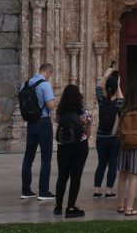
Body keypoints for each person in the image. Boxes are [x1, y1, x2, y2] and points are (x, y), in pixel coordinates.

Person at [113, 83, 137, 217]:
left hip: (123, 145)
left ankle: (120, 205)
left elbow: (114, 131)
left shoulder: (121, 109)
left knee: (122, 176)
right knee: (133, 177)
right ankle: (129, 208)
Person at [53, 84, 91, 219]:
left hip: (63, 145)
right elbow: (87, 124)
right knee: (75, 177)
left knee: (62, 176)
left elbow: (56, 120)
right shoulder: (82, 108)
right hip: (79, 145)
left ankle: (58, 207)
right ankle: (70, 208)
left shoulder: (61, 109)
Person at [21, 62, 58, 201]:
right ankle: (43, 191)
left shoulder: (26, 84)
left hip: (31, 123)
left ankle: (25, 190)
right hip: (43, 123)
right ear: (48, 72)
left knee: (28, 157)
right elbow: (50, 105)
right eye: (50, 74)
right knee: (46, 158)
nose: (49, 77)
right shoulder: (45, 85)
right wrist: (55, 102)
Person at [93, 67, 123, 199]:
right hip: (113, 137)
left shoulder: (101, 101)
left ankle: (97, 190)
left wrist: (105, 76)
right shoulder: (118, 103)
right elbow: (122, 98)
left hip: (100, 137)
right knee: (112, 164)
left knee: (101, 164)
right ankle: (109, 191)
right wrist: (118, 84)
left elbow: (98, 89)